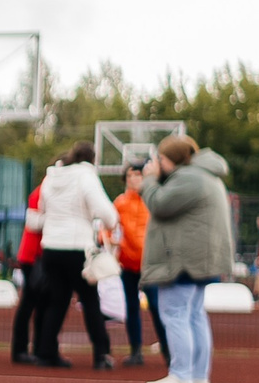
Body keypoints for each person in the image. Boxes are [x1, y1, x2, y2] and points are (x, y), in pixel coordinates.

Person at [139, 134, 231, 383]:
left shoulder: (189, 177)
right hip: (199, 258)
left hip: (183, 260)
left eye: (162, 159)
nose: (159, 164)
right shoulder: (205, 175)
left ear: (173, 160)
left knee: (176, 314)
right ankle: (198, 377)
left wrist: (148, 180)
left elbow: (159, 204)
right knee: (194, 315)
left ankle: (181, 377)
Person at [32, 141, 120, 369]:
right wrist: (111, 221)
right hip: (76, 246)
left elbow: (42, 207)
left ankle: (45, 352)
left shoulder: (51, 176)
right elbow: (104, 210)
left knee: (57, 301)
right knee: (90, 300)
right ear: (92, 159)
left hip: (51, 246)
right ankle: (101, 354)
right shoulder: (85, 175)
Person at [114, 161, 152, 367]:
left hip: (151, 264)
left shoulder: (153, 200)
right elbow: (108, 226)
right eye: (130, 176)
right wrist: (108, 240)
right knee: (131, 307)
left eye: (138, 175)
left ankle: (168, 349)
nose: (134, 179)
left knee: (157, 307)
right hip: (128, 262)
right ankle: (136, 350)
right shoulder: (120, 202)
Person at [8, 183, 46, 364]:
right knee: (30, 302)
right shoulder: (42, 191)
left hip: (37, 255)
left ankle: (36, 347)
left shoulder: (44, 189)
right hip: (33, 256)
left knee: (38, 303)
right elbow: (33, 222)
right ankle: (21, 349)